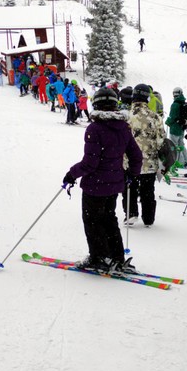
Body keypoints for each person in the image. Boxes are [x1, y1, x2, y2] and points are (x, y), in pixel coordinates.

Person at [63, 87, 142, 274]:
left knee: (93, 222)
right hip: (114, 184)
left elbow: (90, 163)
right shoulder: (123, 127)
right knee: (109, 219)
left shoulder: (95, 128)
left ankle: (99, 258)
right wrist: (132, 173)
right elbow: (136, 155)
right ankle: (115, 256)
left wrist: (71, 174)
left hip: (95, 186)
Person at [123, 83, 166, 227]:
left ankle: (131, 213)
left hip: (129, 161)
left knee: (130, 187)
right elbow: (161, 140)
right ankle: (148, 218)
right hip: (149, 162)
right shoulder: (155, 117)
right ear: (148, 98)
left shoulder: (126, 116)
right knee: (148, 190)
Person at [165, 87, 187, 167]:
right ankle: (186, 161)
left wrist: (167, 121)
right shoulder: (183, 102)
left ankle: (179, 163)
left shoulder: (175, 105)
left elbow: (172, 118)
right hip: (181, 128)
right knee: (181, 145)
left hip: (174, 129)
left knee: (175, 146)